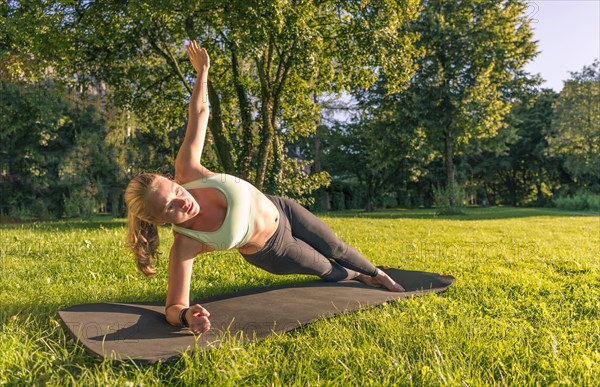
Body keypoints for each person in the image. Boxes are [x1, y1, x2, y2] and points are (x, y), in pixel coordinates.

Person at [125, 41, 405, 335]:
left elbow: (199, 113)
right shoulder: (186, 242)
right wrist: (186, 316)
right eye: (170, 207)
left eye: (176, 192)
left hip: (282, 208)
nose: (182, 201)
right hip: (275, 250)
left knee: (335, 246)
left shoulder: (189, 171)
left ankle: (378, 275)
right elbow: (173, 306)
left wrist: (202, 73)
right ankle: (357, 275)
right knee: (326, 268)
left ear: (173, 180)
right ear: (158, 220)